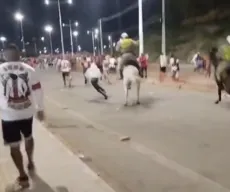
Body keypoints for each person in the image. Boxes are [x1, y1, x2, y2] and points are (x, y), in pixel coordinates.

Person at [0, 44, 44, 189]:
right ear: (19, 54)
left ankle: (22, 175)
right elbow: (38, 90)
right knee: (29, 137)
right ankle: (30, 161)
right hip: (26, 112)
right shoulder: (29, 69)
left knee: (14, 146)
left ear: (5, 55)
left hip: (9, 115)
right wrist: (40, 108)